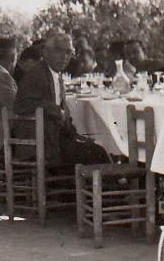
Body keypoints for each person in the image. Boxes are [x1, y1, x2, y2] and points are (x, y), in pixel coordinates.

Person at [14, 32, 109, 172]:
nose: (65, 57)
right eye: (59, 51)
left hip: (53, 141)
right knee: (96, 153)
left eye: (68, 52)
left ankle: (107, 190)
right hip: (39, 146)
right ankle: (113, 192)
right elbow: (20, 106)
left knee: (96, 149)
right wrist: (55, 109)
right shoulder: (37, 74)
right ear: (45, 52)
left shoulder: (54, 74)